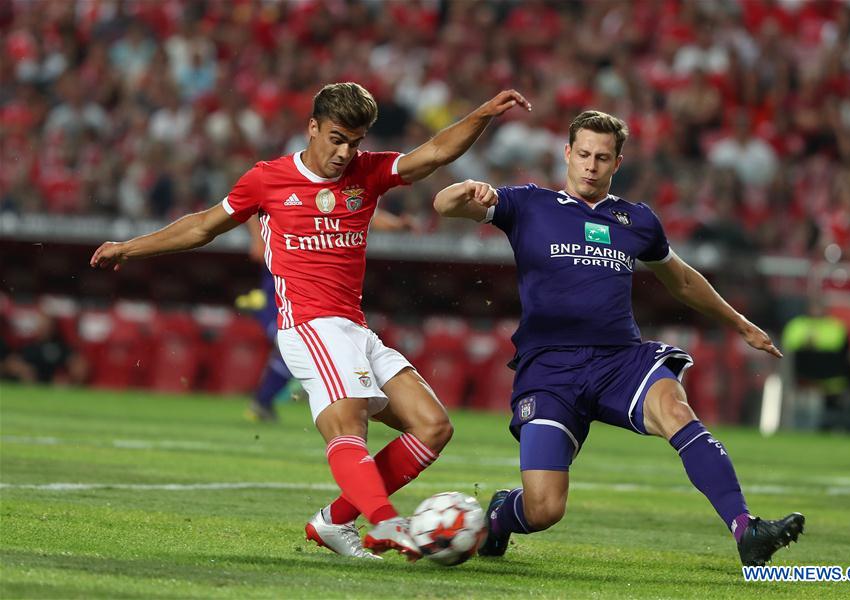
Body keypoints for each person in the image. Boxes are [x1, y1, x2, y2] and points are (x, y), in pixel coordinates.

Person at [91, 82, 531, 560]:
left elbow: (435, 153)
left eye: (355, 142)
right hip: (307, 325)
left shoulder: (369, 172)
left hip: (354, 328)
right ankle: (387, 523)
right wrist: (129, 247)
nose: (345, 153)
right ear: (313, 128)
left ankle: (334, 522)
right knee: (350, 421)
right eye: (337, 139)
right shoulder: (267, 179)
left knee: (432, 427)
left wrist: (483, 112)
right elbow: (202, 226)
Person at [433, 110, 804, 567]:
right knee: (545, 507)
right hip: (550, 369)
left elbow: (682, 281)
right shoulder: (528, 204)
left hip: (619, 362)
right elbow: (444, 206)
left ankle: (746, 529)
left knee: (675, 407)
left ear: (617, 163)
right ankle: (497, 517)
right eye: (583, 154)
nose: (591, 165)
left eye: (602, 157)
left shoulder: (636, 220)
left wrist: (740, 322)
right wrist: (467, 190)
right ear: (567, 154)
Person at [240, 210, 416, 423]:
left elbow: (364, 210)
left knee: (297, 349)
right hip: (279, 298)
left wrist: (397, 224)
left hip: (313, 302)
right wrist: (257, 237)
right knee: (293, 346)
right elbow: (250, 204)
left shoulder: (329, 201)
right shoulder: (291, 190)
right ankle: (269, 401)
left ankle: (267, 402)